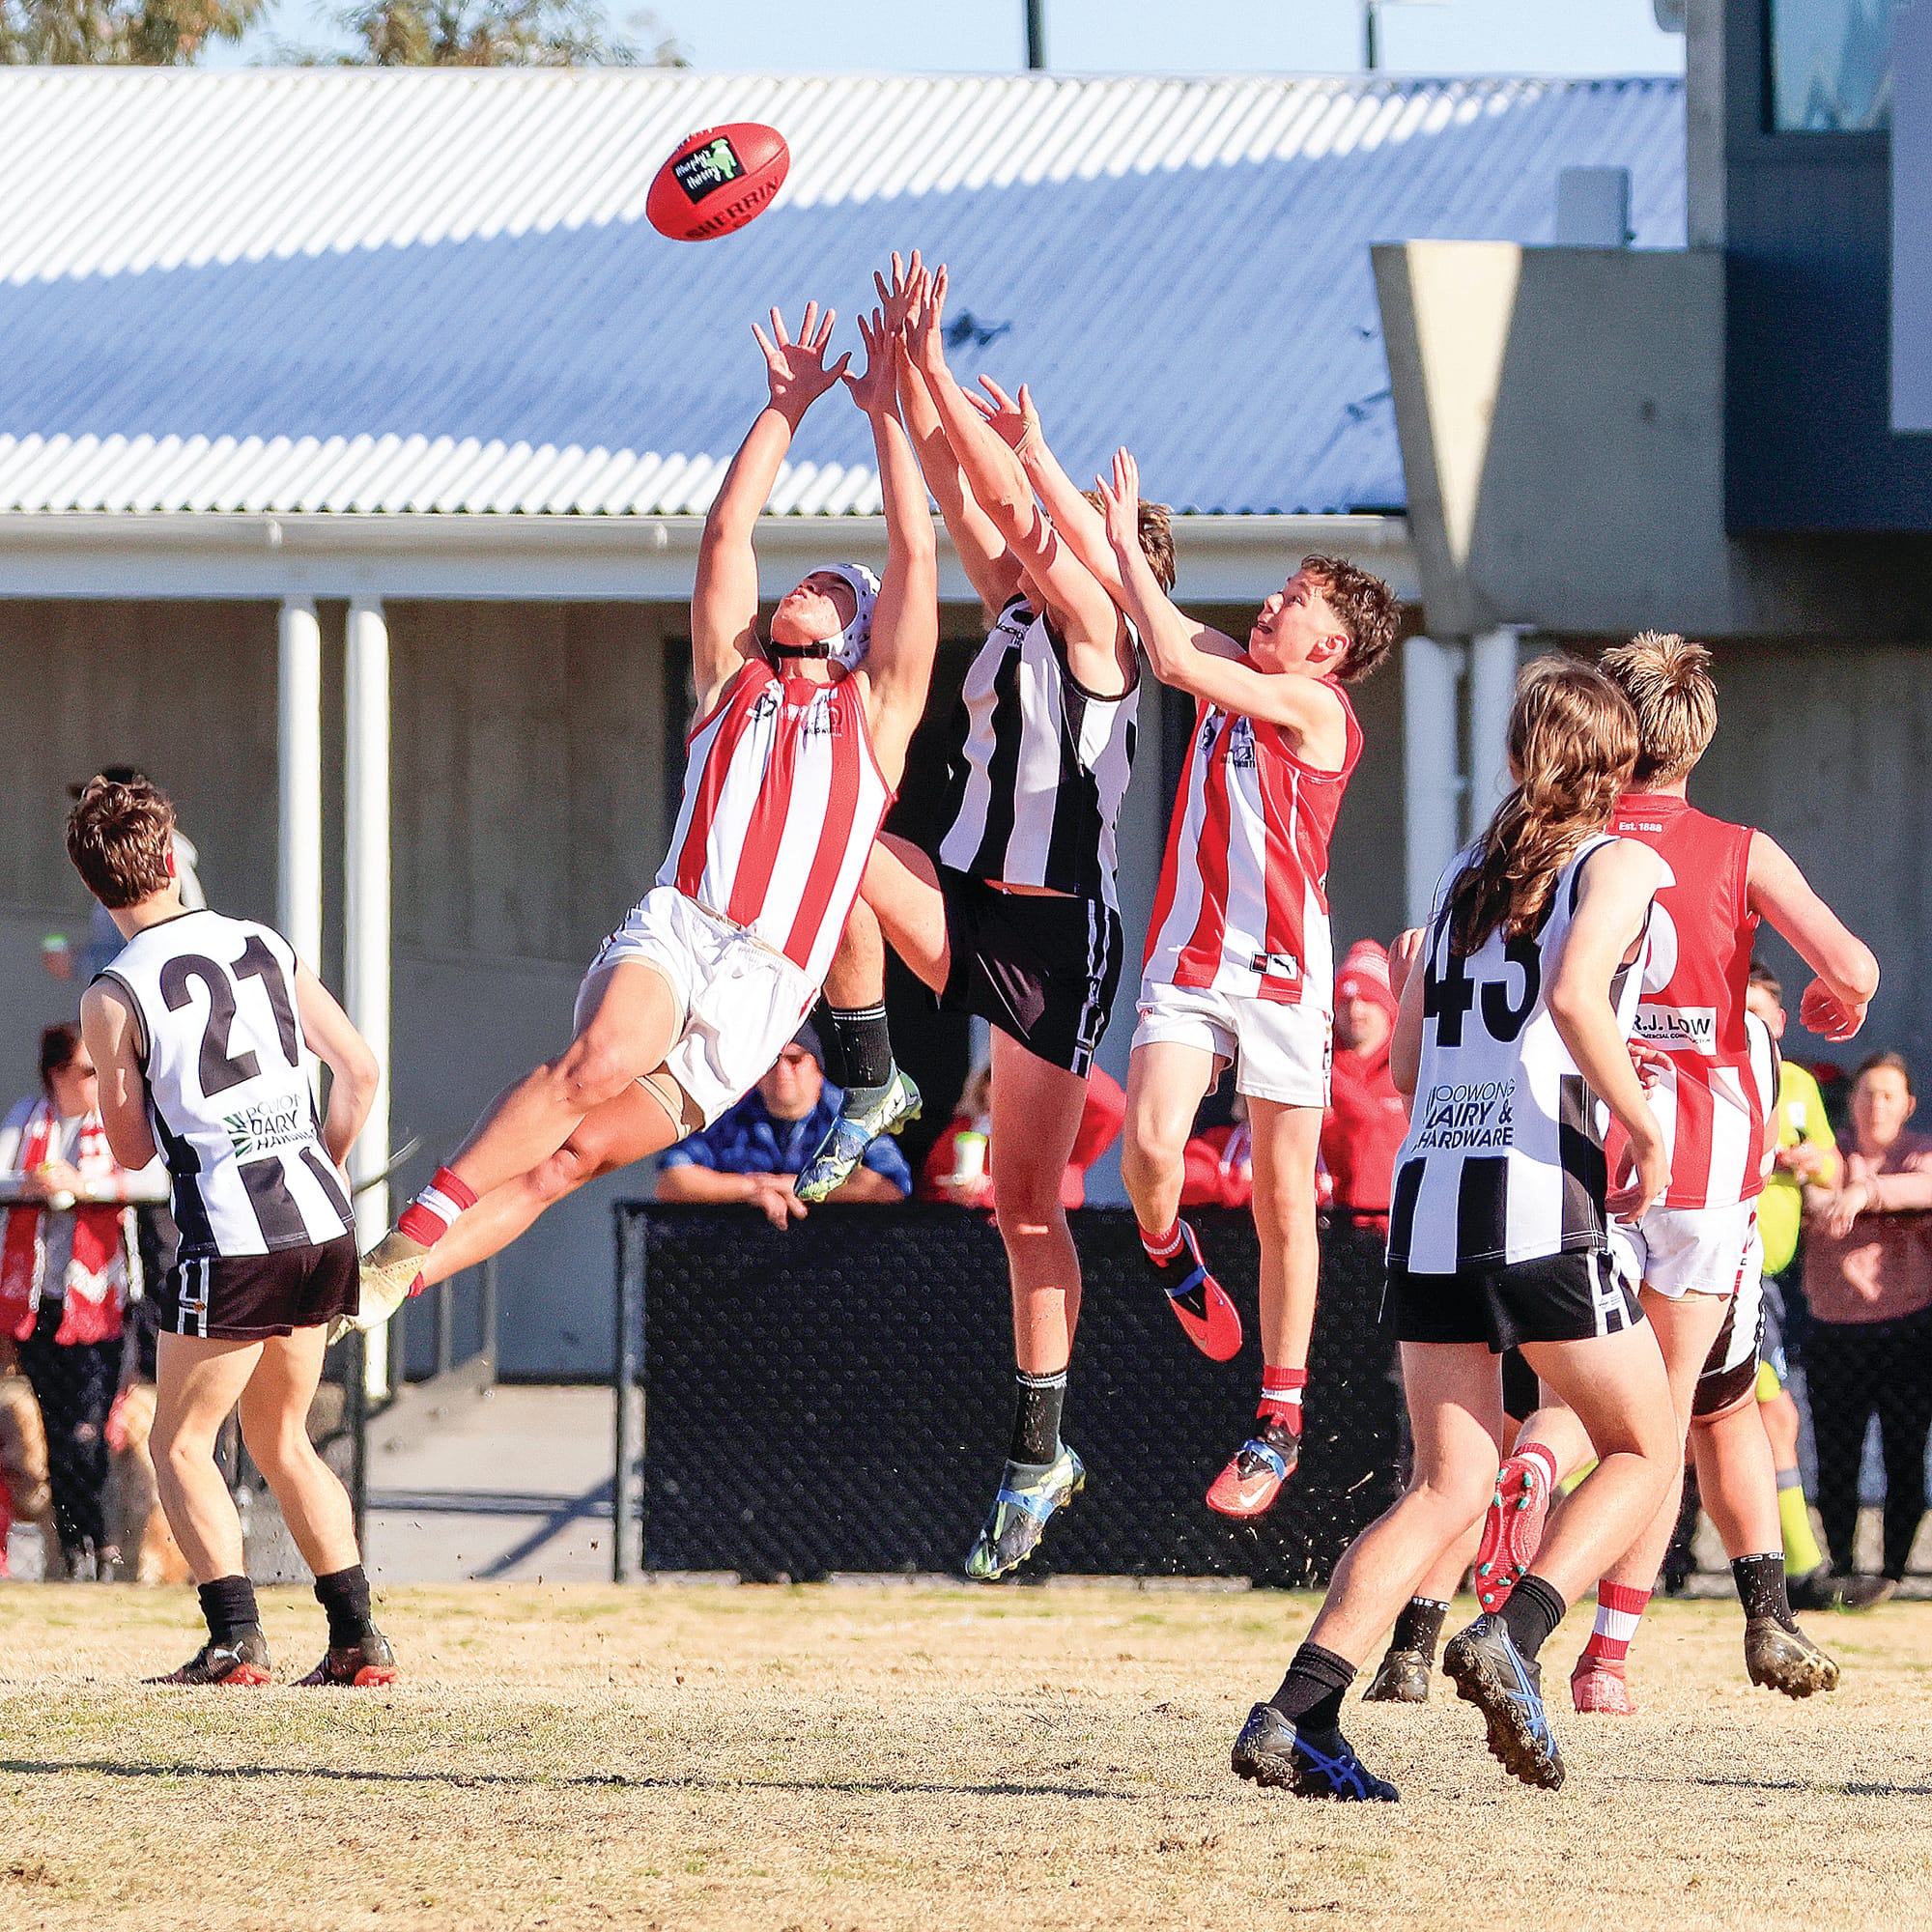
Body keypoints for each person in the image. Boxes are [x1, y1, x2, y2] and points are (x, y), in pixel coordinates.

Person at [354, 300, 940, 1321]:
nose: (800, 588)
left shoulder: (873, 714)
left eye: (829, 586)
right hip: (685, 924)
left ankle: (373, 1295)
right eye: (797, 580)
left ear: (854, 629)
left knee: (569, 1160)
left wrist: (887, 412)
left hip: (768, 985)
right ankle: (418, 1222)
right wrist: (783, 409)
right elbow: (726, 531)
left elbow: (916, 556)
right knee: (598, 1062)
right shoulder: (732, 682)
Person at [1231, 658, 1679, 1802]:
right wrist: (1643, 1129)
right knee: (1641, 1442)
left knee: (1446, 1481)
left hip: (1428, 1195)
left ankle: (1292, 1715)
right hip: (1539, 1191)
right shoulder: (1619, 860)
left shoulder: (1464, 870)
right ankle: (1516, 1630)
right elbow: (1579, 997)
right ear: (1617, 764)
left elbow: (1406, 1061)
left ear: (1524, 752)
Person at [797, 257, 1175, 1581]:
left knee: (1025, 1205)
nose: (1030, 539)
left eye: (1057, 535)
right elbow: (964, 501)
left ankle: (1038, 1453)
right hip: (972, 902)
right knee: (836, 837)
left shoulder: (1106, 630)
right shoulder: (1021, 605)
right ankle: (868, 1078)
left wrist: (941, 367)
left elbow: (1009, 493)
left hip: (1059, 937)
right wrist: (893, 391)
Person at [1479, 635, 1873, 1714]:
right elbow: (1848, 965)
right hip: (1699, 1143)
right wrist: (1840, 1000)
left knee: (1610, 1394)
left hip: (1583, 1129)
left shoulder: (1568, 839)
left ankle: (1532, 1467)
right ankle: (1601, 1659)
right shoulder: (1736, 847)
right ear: (1697, 737)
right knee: (1663, 1417)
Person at [1097, 445, 1400, 1520]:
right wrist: (1047, 471)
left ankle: (1278, 1415)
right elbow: (1158, 628)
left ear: (1329, 646)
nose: (1272, 600)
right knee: (1145, 1147)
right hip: (1190, 955)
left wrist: (1129, 541)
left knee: (1283, 1199)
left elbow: (1174, 660)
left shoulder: (1316, 713)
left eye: (1296, 597)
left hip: (1281, 973)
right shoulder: (1239, 664)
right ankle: (1167, 1249)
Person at [71, 774, 392, 1684]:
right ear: (173, 860)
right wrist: (315, 1156)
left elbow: (131, 1151)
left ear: (95, 890)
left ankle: (234, 1637)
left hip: (232, 1234)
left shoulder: (114, 995)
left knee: (178, 1444)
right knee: (282, 1438)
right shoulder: (263, 941)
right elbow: (359, 1072)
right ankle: (357, 1635)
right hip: (320, 1220)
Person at [0, 1023, 167, 1578]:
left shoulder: (115, 1124)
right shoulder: (27, 1120)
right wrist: (32, 1183)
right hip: (38, 1302)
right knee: (54, 1428)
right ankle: (76, 1548)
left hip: (100, 1302)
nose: (98, 1082)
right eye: (88, 1072)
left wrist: (86, 1187)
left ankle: (97, 1540)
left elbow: (151, 1181)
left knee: (89, 1429)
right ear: (58, 1075)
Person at [1743, 960, 1858, 1608]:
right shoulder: (1718, 1076)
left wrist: (1816, 1165)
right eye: (1744, 1015)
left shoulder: (1798, 1085)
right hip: (1728, 1272)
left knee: (1757, 1421)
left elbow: (1831, 1173)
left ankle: (1792, 1574)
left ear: (1781, 1021)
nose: (1755, 1026)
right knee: (1771, 1417)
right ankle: (1800, 1574)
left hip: (1775, 1282)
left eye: (1763, 1015)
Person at [1799, 1051, 1932, 1603]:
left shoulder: (1920, 1153)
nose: (1875, 1105)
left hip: (1907, 1327)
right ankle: (1841, 1567)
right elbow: (1809, 1192)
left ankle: (1893, 1570)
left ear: (1908, 1106)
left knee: (1905, 1454)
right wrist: (1832, 1188)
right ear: (1848, 1102)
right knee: (1836, 1455)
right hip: (1833, 1327)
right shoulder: (1831, 1153)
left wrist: (1865, 1194)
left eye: (1887, 1095)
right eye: (1865, 1093)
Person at [657, 1024, 911, 1231]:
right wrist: (752, 1189)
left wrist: (805, 1187)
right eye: (771, 1062)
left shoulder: (855, 1115)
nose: (782, 1071)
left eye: (794, 1060)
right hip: (740, 1262)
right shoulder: (728, 1110)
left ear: (817, 1071)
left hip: (840, 1261)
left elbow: (889, 1186)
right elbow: (671, 1180)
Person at [43, 767, 205, 987]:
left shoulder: (152, 858)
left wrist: (77, 963)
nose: (89, 818)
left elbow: (161, 956)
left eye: (103, 804)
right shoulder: (153, 854)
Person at [919, 1061, 1125, 1210]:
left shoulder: (1061, 1137)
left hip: (1049, 1248)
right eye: (1000, 1076)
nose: (1013, 1089)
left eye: (1030, 1081)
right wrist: (954, 1198)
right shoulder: (963, 1136)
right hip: (977, 1252)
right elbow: (928, 1196)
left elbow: (1112, 1108)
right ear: (984, 1088)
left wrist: (1062, 1057)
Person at [1321, 940, 1408, 1228]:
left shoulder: (1413, 1067)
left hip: (1401, 1227)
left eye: (1367, 999)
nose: (1355, 1010)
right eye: (1345, 1002)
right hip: (1336, 1229)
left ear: (1388, 1006)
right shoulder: (1317, 1069)